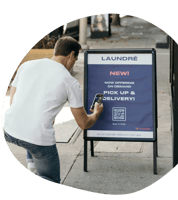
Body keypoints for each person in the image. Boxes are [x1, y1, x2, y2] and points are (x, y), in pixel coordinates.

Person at [3, 36, 104, 184]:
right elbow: (83, 123)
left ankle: (32, 168)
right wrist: (96, 113)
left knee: (31, 134)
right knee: (51, 180)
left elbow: (14, 100)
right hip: (37, 140)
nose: (74, 63)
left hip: (9, 130)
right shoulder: (69, 81)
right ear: (71, 55)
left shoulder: (26, 65)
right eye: (75, 59)